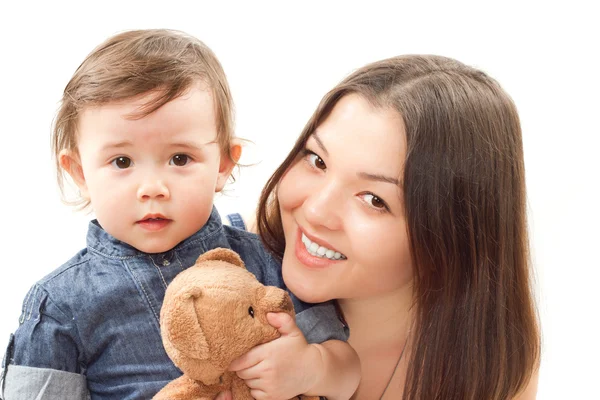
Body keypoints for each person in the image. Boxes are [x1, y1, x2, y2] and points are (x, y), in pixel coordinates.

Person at [0, 29, 359, 400]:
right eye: (122, 161)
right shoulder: (60, 304)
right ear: (80, 173)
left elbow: (348, 371)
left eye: (180, 159)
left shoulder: (263, 259)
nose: (153, 187)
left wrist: (311, 368)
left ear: (222, 164)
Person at [245, 55, 541, 399]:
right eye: (317, 160)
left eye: (373, 199)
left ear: (449, 237)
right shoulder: (234, 272)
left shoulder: (492, 367)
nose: (315, 210)